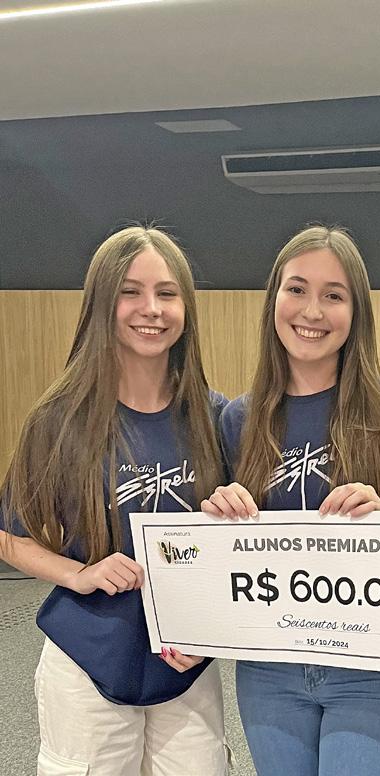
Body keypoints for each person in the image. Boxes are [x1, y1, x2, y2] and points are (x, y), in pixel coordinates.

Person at [202, 225, 380, 776]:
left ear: (357, 313)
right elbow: (220, 559)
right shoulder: (238, 420)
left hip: (371, 670)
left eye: (333, 295)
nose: (312, 311)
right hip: (269, 671)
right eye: (297, 289)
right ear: (274, 299)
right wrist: (219, 514)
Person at [0, 226, 230, 775]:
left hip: (187, 664)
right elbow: (10, 535)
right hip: (88, 657)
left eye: (167, 293)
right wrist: (79, 574)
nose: (151, 308)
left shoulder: (217, 417)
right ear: (102, 303)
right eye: (130, 292)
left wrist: (217, 630)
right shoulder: (59, 419)